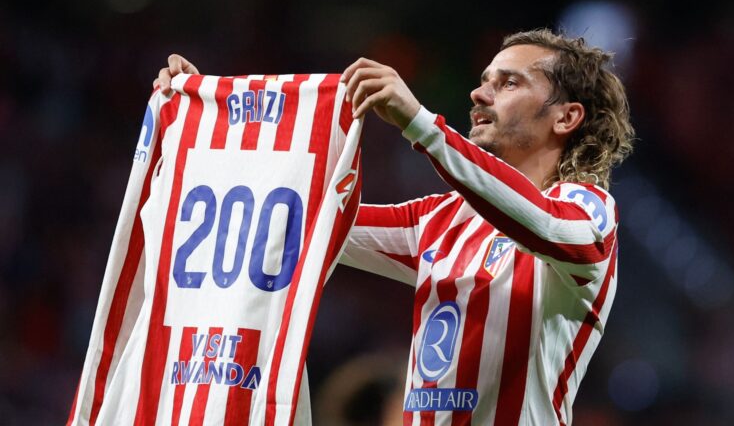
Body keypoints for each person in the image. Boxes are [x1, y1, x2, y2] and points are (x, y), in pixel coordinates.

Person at [155, 28, 634, 425]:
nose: (479, 93)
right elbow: (293, 218)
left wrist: (422, 125)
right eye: (485, 80)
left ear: (566, 117)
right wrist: (205, 129)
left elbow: (545, 224)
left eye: (509, 83)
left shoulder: (588, 211)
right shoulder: (438, 220)